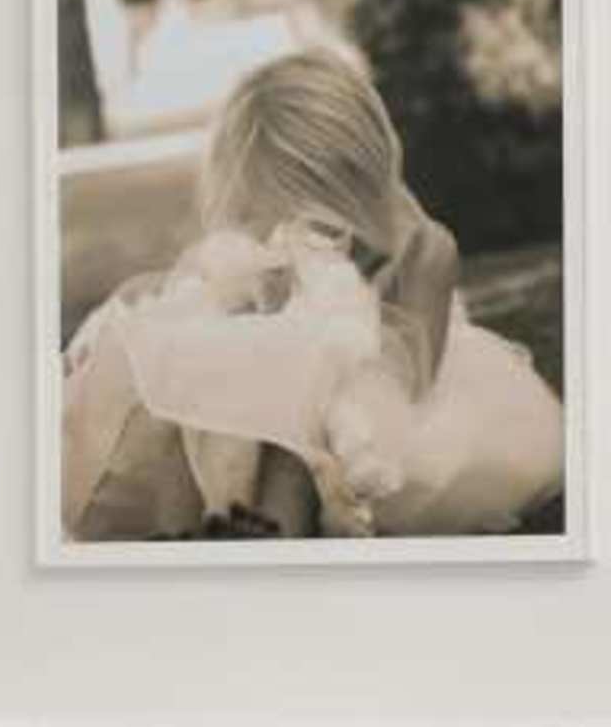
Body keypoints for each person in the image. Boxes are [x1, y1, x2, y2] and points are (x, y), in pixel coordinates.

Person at [60, 47, 561, 540]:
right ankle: (191, 528)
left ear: (357, 188)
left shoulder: (422, 250)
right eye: (266, 217)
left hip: (365, 424)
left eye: (315, 212)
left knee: (290, 446)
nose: (288, 235)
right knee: (178, 392)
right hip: (240, 424)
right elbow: (211, 300)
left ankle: (265, 531)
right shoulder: (254, 248)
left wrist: (319, 369)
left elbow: (409, 387)